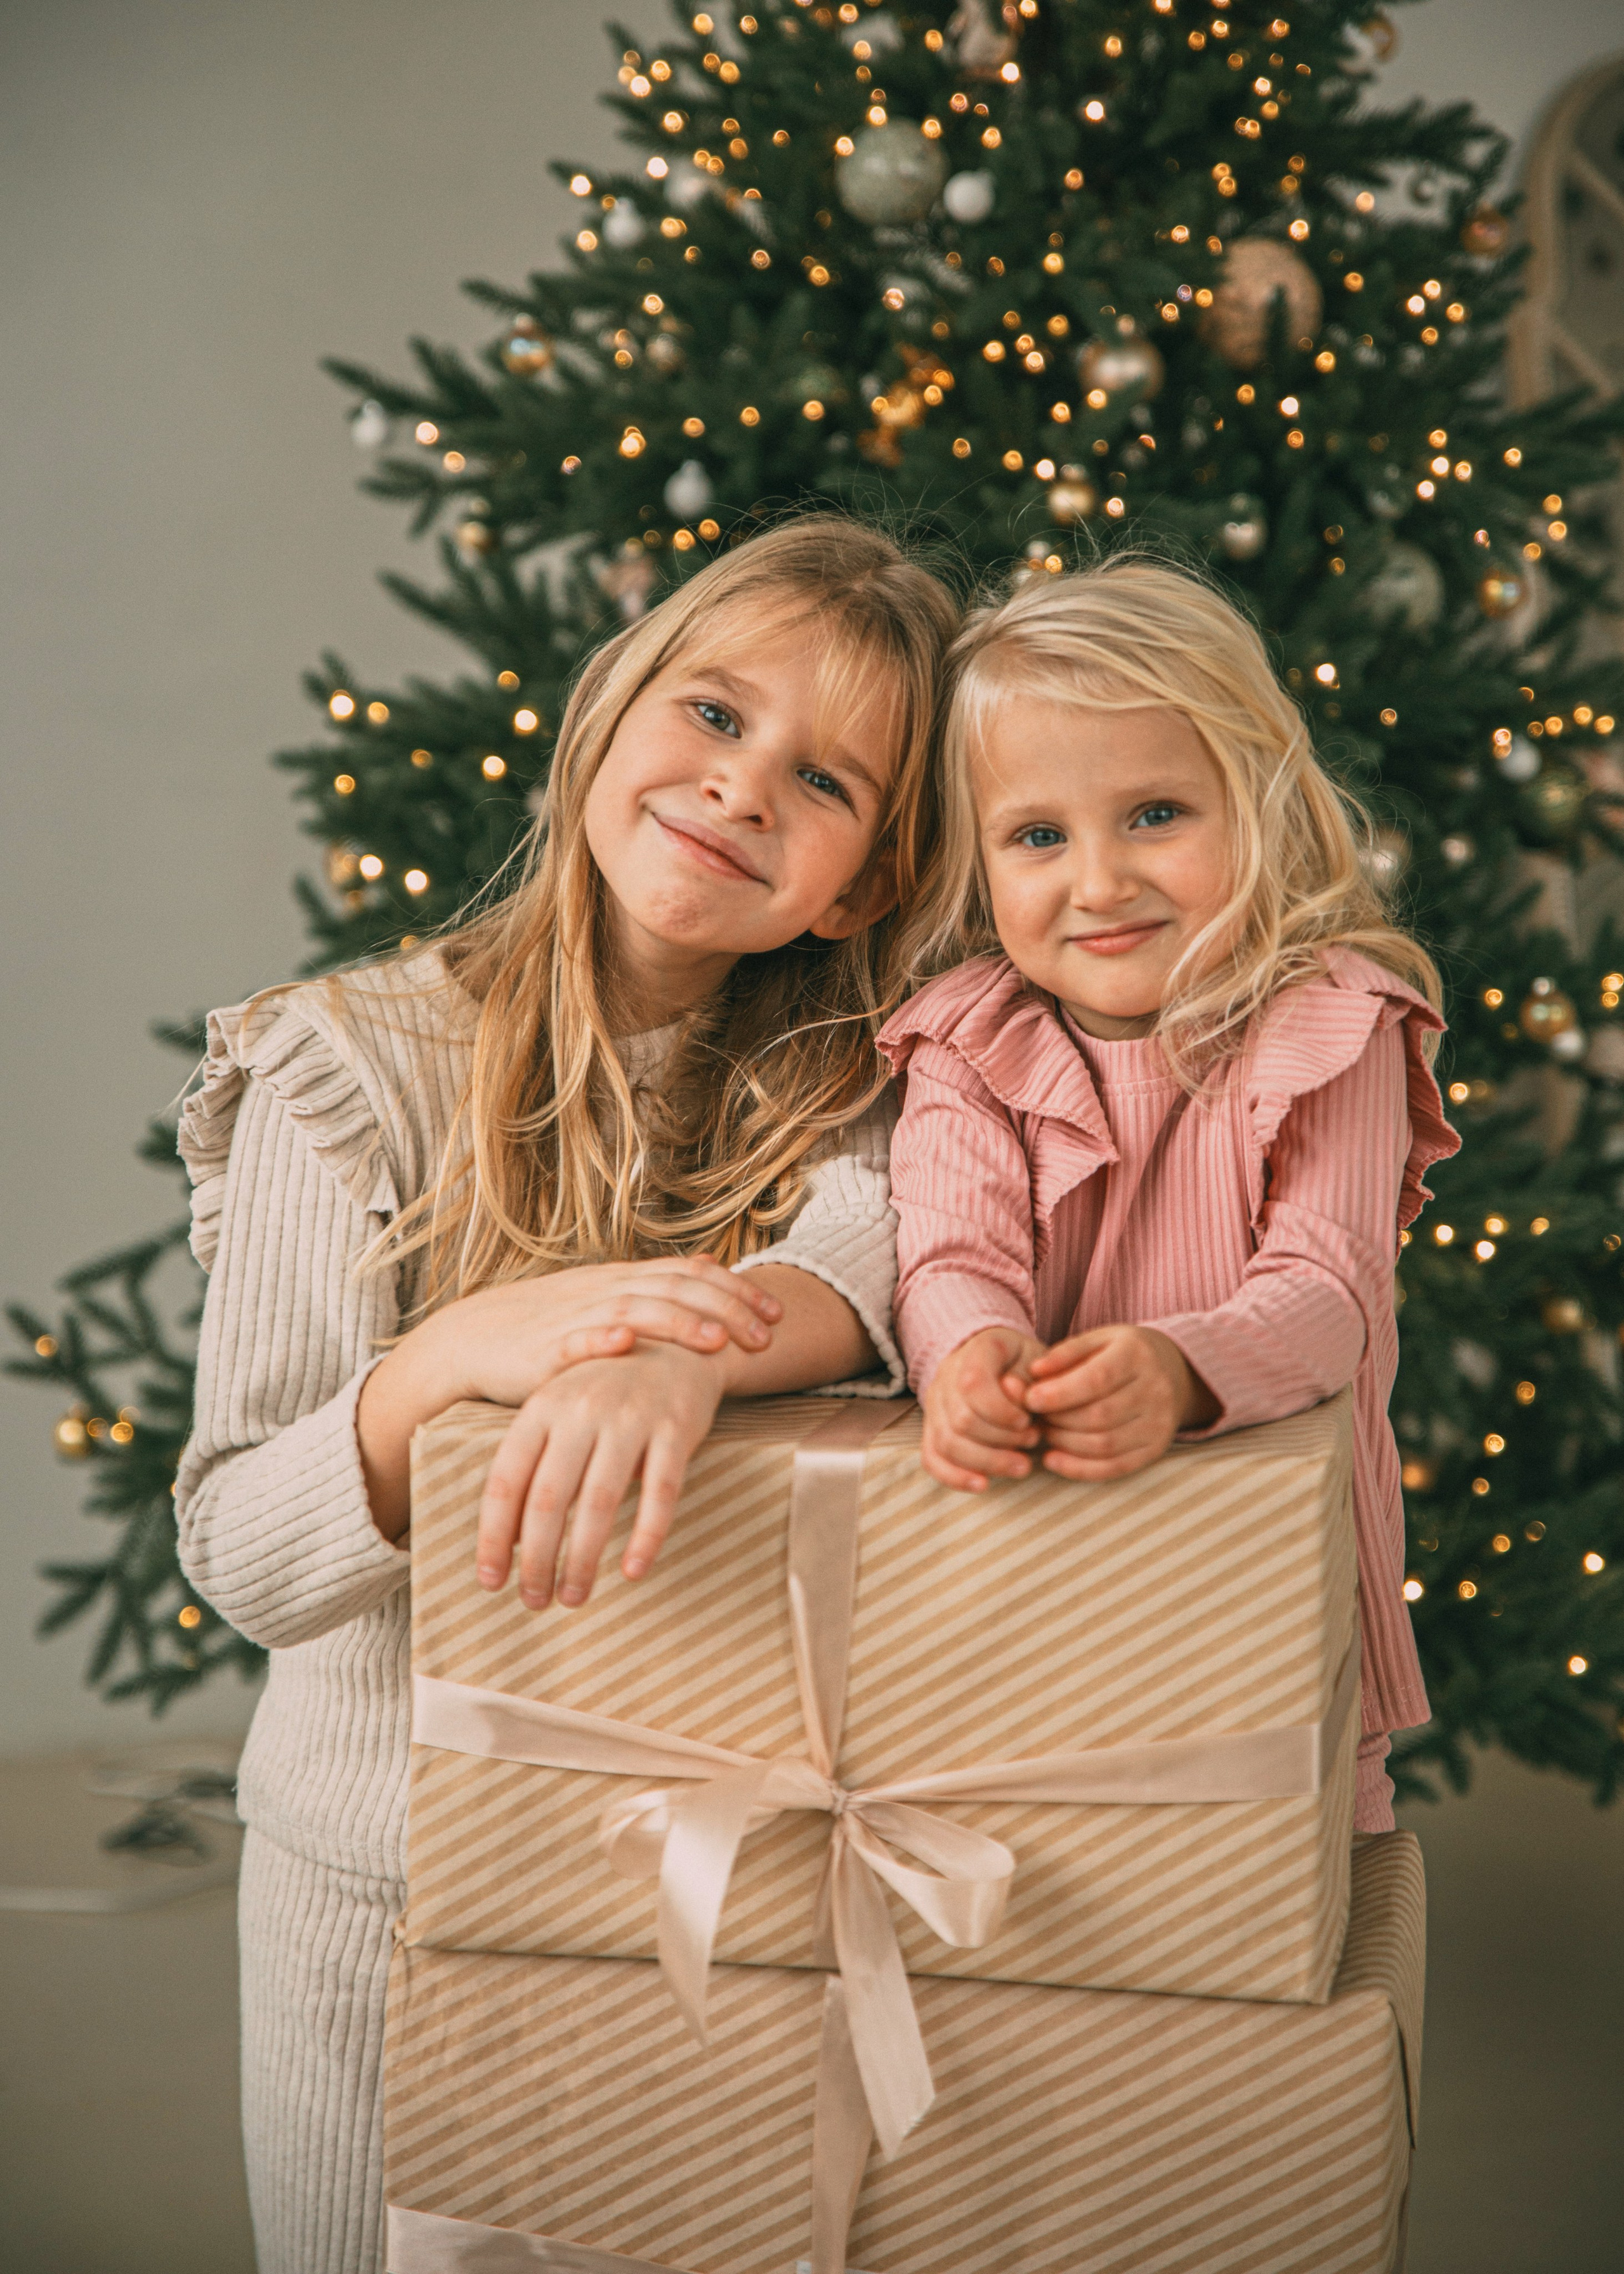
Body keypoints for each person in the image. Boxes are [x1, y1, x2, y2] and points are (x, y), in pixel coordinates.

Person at [174, 516, 957, 2274]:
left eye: (823, 780)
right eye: (712, 712)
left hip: (710, 1886)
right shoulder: (345, 1069)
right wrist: (452, 1360)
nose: (744, 786)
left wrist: (681, 1343)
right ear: (608, 713)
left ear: (857, 886)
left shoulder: (860, 1093)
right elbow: (244, 1550)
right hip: (380, 1888)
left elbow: (873, 1254)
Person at [877, 558, 1458, 1837]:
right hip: (1028, 1588)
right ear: (978, 865)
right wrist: (968, 1356)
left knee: (1283, 1910)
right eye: (1037, 836)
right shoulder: (965, 1043)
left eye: (1153, 814)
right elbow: (948, 1249)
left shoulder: (1330, 1023)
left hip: (1271, 1601)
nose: (1097, 882)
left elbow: (1326, 1289)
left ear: (1252, 804)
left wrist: (1179, 1369)